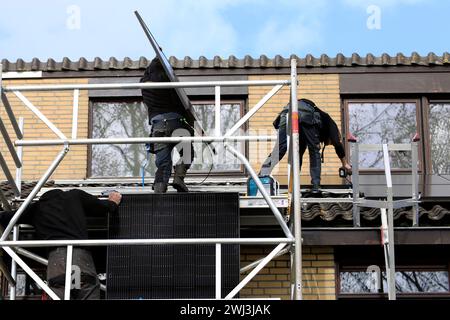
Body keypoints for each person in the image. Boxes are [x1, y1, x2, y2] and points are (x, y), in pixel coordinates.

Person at [0, 189, 122, 300]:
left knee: (58, 293)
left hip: (56, 263)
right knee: (86, 288)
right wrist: (113, 202)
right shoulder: (75, 196)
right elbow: (103, 208)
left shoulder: (37, 207)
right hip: (80, 258)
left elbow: (7, 217)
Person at [259, 98, 352, 194]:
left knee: (281, 150)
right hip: (305, 113)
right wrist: (345, 164)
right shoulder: (330, 123)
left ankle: (261, 176)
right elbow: (338, 144)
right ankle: (316, 185)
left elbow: (300, 150)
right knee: (314, 150)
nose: (329, 144)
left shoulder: (309, 132)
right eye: (329, 143)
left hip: (286, 112)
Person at [141, 57, 194, 193]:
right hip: (177, 123)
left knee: (163, 163)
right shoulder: (169, 80)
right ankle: (179, 178)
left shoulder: (145, 85)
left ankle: (160, 190)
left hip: (158, 127)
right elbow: (180, 101)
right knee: (187, 152)